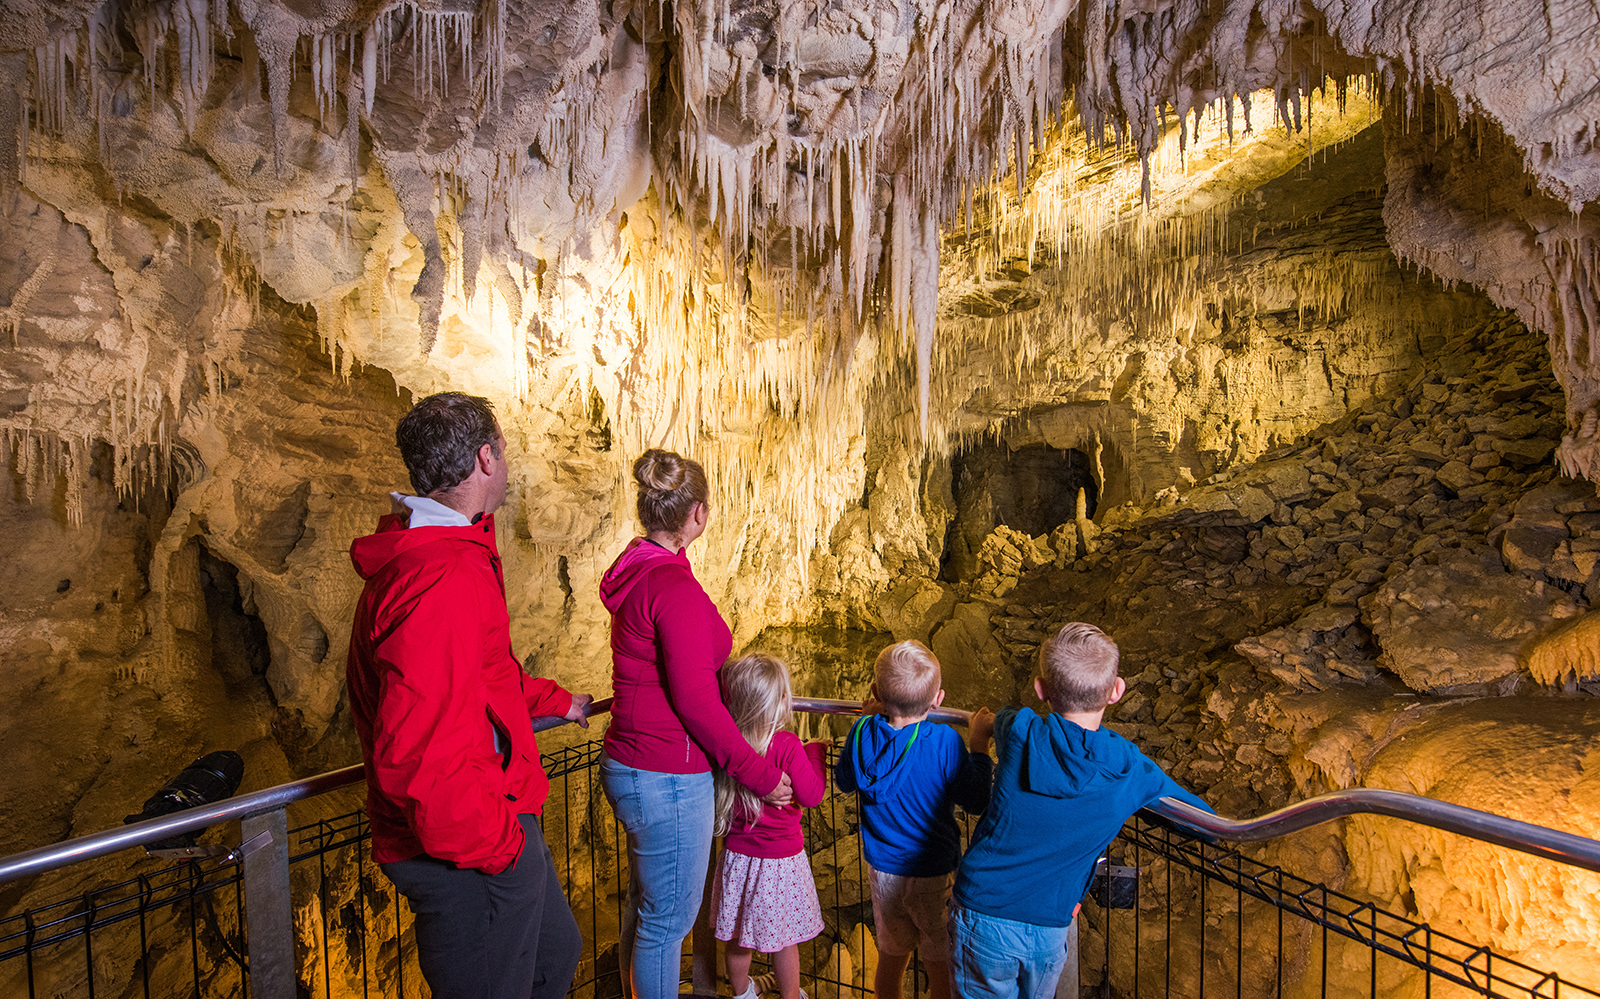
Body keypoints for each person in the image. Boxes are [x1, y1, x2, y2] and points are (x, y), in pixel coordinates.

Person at [346, 392, 592, 999]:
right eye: (504, 451)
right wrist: (503, 848)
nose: (506, 463)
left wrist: (552, 700)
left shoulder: (451, 554)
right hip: (469, 847)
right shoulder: (441, 577)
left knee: (554, 955)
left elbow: (478, 675)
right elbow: (420, 748)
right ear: (487, 457)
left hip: (491, 817)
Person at [598, 449, 794, 999]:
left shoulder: (640, 571)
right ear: (698, 515)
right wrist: (756, 771)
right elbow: (698, 703)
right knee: (669, 923)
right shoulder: (674, 590)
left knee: (648, 908)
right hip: (666, 772)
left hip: (635, 762)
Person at [950, 623, 1213, 999]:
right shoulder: (1129, 769)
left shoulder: (1020, 728)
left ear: (1041, 690)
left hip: (983, 912)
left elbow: (998, 720)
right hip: (1048, 927)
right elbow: (1204, 821)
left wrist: (981, 730)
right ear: (1116, 691)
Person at [834, 640, 996, 999]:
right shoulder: (943, 742)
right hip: (934, 872)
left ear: (876, 692)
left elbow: (844, 780)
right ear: (938, 699)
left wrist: (868, 719)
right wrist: (979, 747)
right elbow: (976, 799)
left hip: (884, 871)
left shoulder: (861, 732)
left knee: (891, 957)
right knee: (941, 964)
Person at [709, 654, 829, 999]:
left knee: (737, 936)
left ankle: (743, 993)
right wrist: (816, 754)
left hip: (738, 858)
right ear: (776, 702)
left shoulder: (728, 745)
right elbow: (812, 795)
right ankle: (791, 997)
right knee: (784, 939)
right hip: (782, 862)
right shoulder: (788, 745)